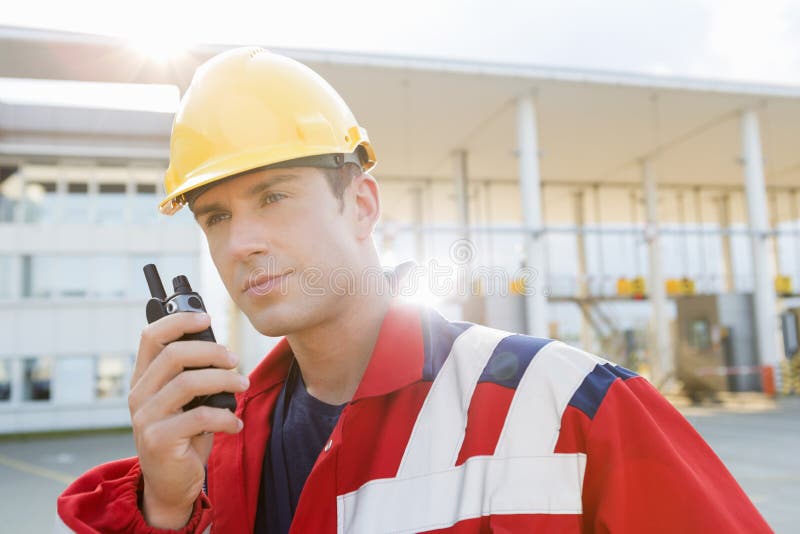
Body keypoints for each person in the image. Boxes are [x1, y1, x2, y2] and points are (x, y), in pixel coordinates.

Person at [57, 47, 771, 533]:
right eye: (216, 216)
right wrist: (165, 511)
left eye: (274, 197)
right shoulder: (217, 452)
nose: (241, 241)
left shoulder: (570, 405)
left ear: (362, 206)